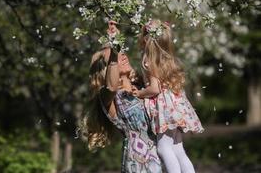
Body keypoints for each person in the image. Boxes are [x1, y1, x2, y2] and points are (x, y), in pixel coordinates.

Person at [82, 21, 162, 172]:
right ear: (106, 70)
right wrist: (114, 46)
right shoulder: (108, 97)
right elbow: (111, 86)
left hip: (162, 156)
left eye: (121, 51)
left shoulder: (143, 86)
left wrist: (150, 31)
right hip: (139, 162)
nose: (122, 54)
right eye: (115, 55)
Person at [132, 19, 204, 173]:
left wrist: (140, 93)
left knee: (164, 149)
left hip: (165, 107)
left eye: (144, 34)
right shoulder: (166, 58)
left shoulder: (149, 60)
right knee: (178, 149)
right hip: (175, 104)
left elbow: (155, 88)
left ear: (147, 39)